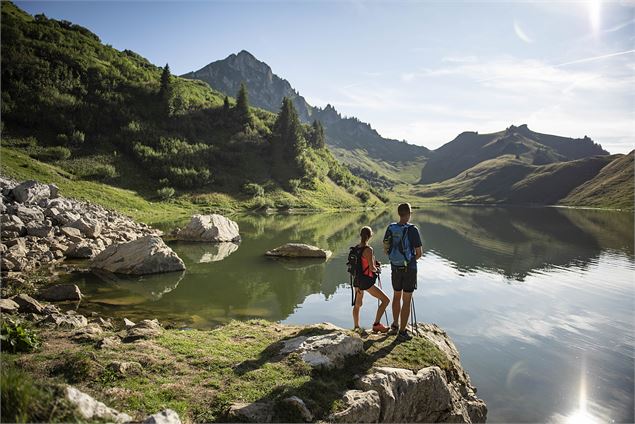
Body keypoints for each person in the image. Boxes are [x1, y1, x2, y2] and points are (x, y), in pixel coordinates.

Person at [383, 203, 423, 340]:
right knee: (406, 300)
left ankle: (394, 325)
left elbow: (386, 249)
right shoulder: (413, 230)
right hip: (409, 269)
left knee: (396, 296)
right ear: (409, 213)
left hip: (395, 267)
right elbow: (419, 253)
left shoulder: (391, 228)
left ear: (399, 213)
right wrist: (410, 261)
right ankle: (402, 331)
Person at [352, 226, 390, 334]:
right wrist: (377, 268)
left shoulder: (356, 248)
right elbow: (372, 268)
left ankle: (356, 327)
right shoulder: (368, 249)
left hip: (357, 280)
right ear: (370, 236)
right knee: (386, 300)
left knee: (357, 304)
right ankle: (376, 325)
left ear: (361, 235)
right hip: (366, 281)